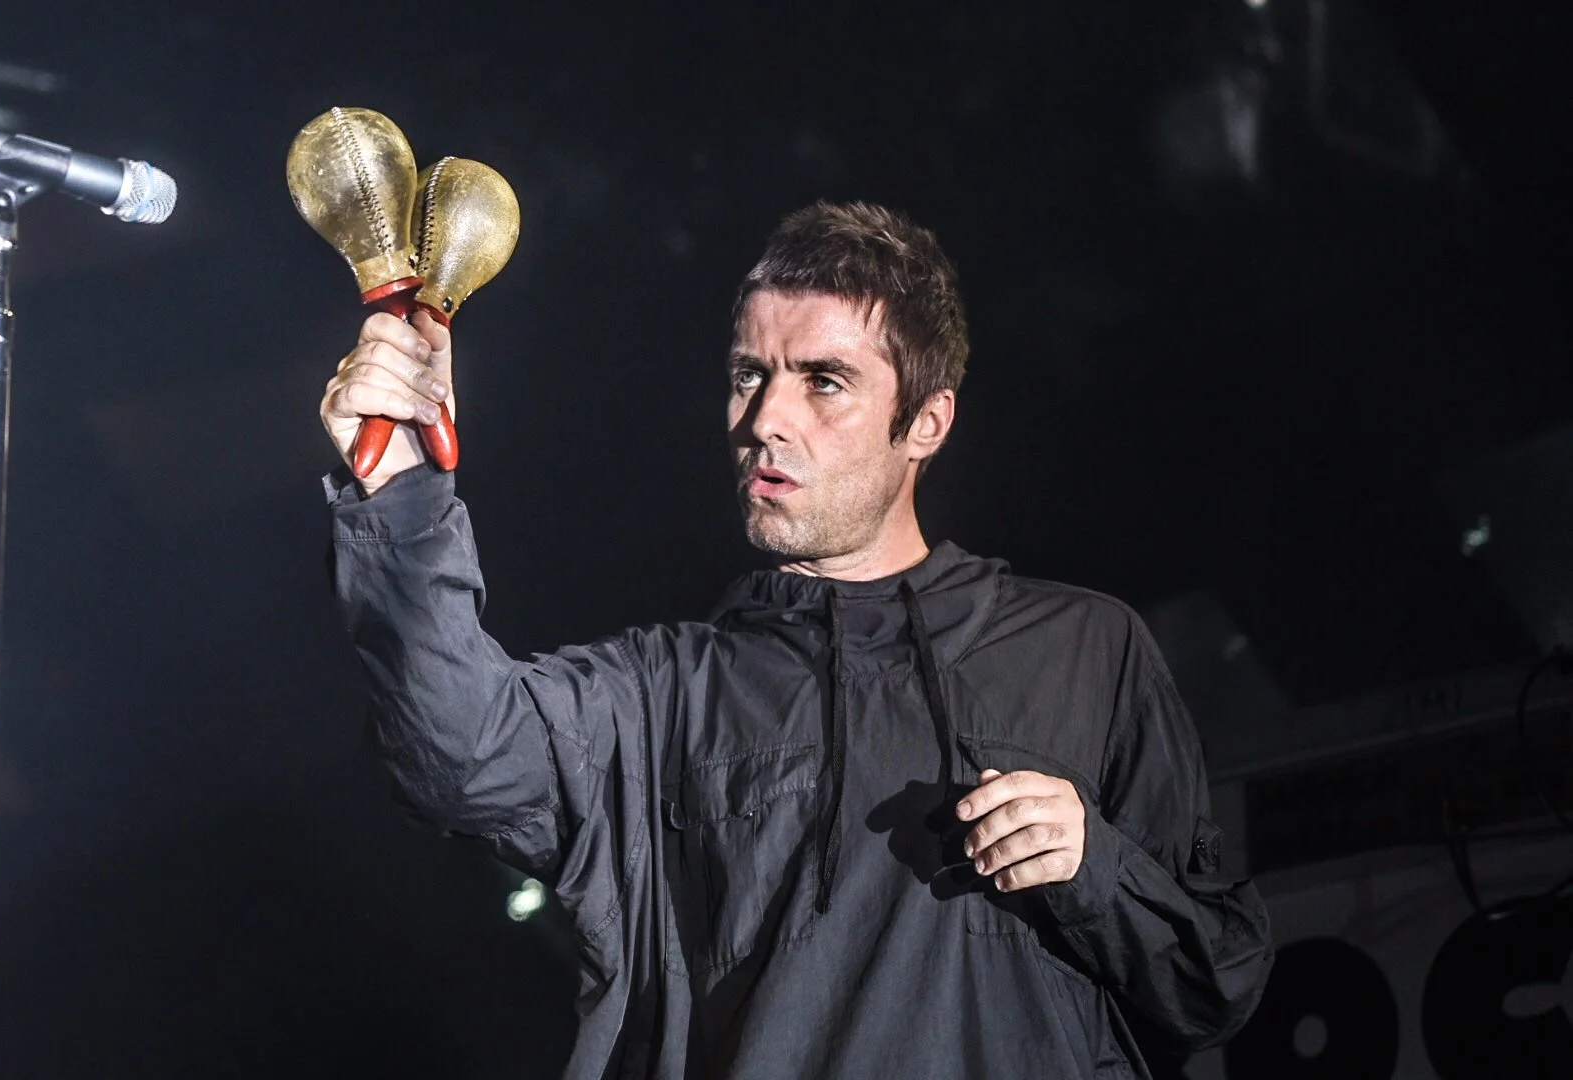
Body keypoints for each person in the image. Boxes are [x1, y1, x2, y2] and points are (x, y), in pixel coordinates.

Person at [321, 202, 1272, 1079]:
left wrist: (1092, 866)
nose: (766, 421)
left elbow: (1215, 982)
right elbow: (456, 751)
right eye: (750, 375)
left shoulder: (1085, 649)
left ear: (926, 422)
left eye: (824, 381)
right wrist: (400, 490)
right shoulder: (662, 696)